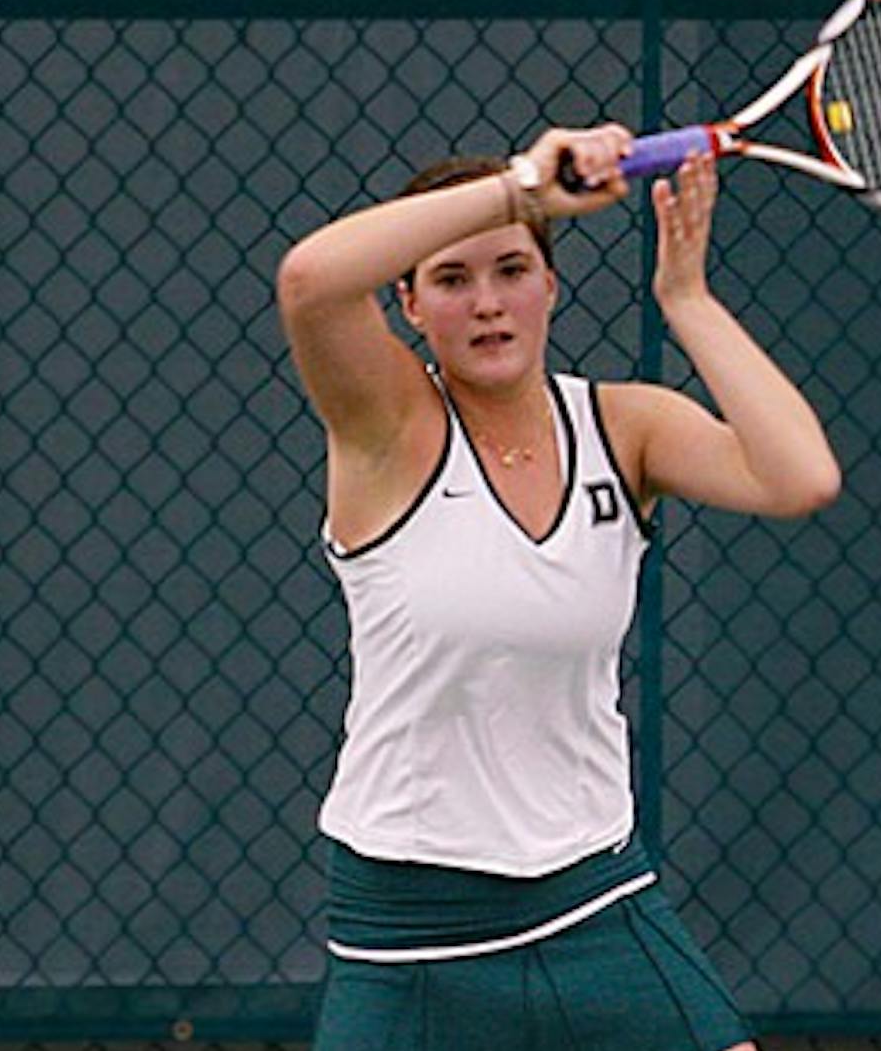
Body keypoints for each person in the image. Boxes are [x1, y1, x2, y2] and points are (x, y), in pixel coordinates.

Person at [276, 123, 841, 1051]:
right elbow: (309, 280)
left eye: (511, 270)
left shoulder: (627, 427)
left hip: (598, 902)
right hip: (412, 931)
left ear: (551, 285)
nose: (488, 303)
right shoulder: (386, 428)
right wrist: (523, 186)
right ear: (410, 305)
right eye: (451, 280)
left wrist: (688, 300)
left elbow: (800, 477)